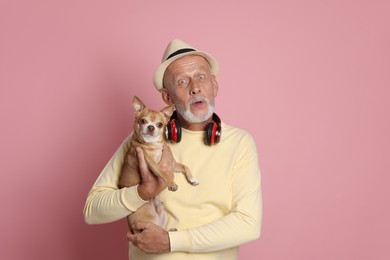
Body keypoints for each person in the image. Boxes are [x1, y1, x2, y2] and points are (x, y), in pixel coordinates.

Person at [83, 39, 262, 259]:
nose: (195, 87)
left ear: (214, 85)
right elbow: (92, 211)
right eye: (182, 81)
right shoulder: (141, 140)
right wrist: (142, 192)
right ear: (167, 97)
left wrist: (170, 241)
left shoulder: (240, 143)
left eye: (201, 77)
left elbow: (248, 224)